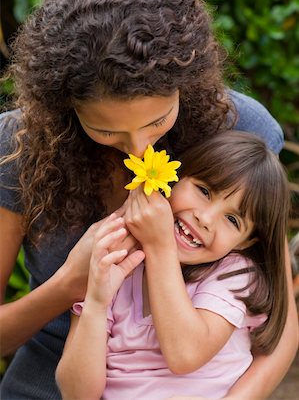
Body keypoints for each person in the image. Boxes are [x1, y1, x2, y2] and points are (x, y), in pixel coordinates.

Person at [0, 0, 297, 400]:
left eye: (158, 121)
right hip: (58, 369)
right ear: (65, 106)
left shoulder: (240, 129)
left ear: (185, 81)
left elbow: (280, 326)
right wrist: (70, 285)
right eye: (105, 130)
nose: (140, 152)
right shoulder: (20, 144)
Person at [56, 131, 290, 400]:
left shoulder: (234, 274)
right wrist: (96, 304)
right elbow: (76, 394)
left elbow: (185, 354)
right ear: (171, 179)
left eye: (233, 220)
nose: (206, 219)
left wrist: (159, 246)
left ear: (245, 242)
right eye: (204, 191)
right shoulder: (115, 263)